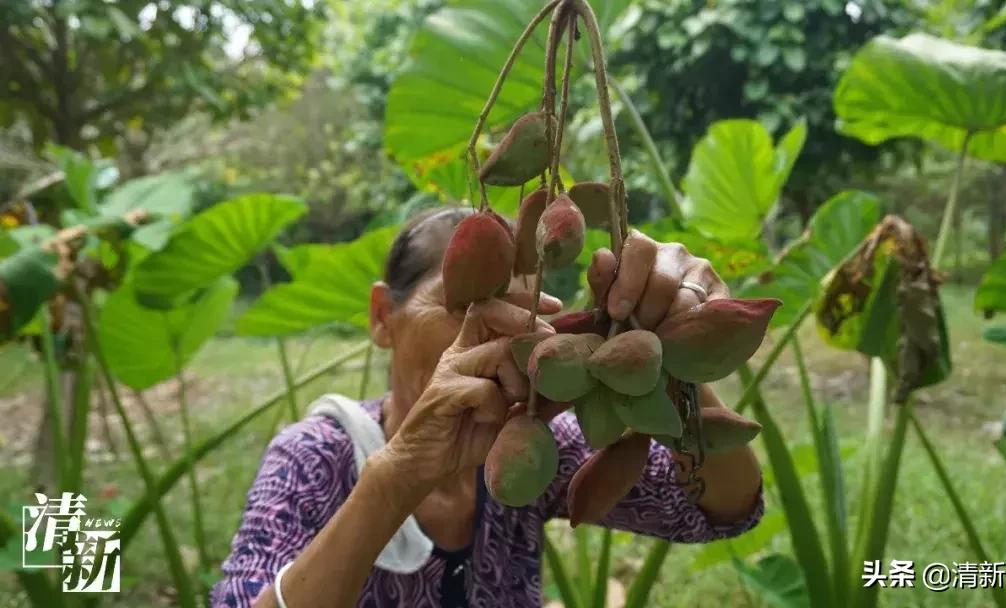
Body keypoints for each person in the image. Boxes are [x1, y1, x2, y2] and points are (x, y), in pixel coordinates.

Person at [211, 207, 764, 608]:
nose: (498, 332)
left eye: (522, 310)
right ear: (383, 316)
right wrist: (397, 476)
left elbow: (719, 508)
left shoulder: (528, 441)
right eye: (469, 304)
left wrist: (667, 344)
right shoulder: (314, 457)